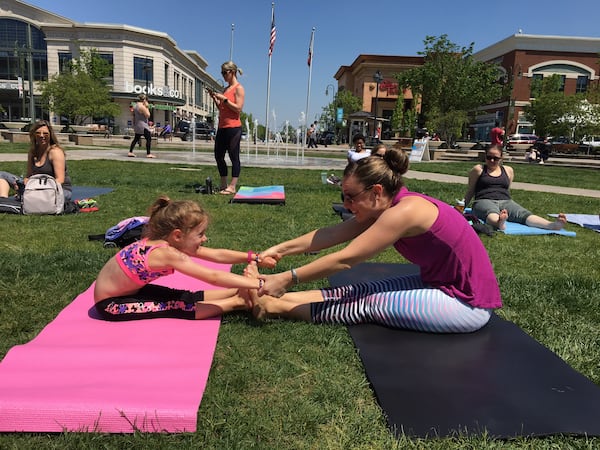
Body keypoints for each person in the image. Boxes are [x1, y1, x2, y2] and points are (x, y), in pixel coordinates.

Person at [252, 149, 502, 333]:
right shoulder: (385, 207)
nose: (346, 204)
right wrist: (278, 250)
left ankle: (271, 306)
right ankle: (267, 297)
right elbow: (331, 234)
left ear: (376, 192)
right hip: (438, 283)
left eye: (351, 197)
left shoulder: (404, 212)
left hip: (468, 303)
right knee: (360, 290)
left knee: (368, 303)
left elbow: (346, 258)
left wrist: (286, 278)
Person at [94, 196, 275, 321]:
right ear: (178, 235)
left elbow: (216, 254)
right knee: (174, 305)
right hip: (111, 305)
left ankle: (236, 292)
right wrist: (259, 284)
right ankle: (239, 302)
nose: (204, 239)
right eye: (200, 234)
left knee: (179, 295)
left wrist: (255, 257)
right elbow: (213, 276)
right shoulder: (167, 254)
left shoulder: (166, 242)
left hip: (130, 292)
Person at [464, 144, 567, 231]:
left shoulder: (508, 170)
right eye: (488, 157)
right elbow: (471, 191)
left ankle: (552, 225)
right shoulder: (479, 170)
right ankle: (499, 222)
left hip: (505, 201)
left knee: (523, 214)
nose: (491, 160)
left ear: (501, 158)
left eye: (495, 158)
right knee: (490, 212)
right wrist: (461, 207)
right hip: (483, 200)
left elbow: (507, 189)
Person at [208, 61, 245, 195]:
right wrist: (215, 99)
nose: (223, 75)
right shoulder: (225, 89)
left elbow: (238, 109)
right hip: (222, 127)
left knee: (234, 156)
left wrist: (224, 100)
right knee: (218, 155)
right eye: (222, 73)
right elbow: (222, 109)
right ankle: (223, 184)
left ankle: (232, 186)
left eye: (225, 72)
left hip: (233, 128)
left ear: (232, 72)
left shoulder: (239, 88)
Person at [26, 120, 72, 201]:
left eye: (45, 133)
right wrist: (25, 184)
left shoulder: (55, 152)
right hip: (36, 187)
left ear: (50, 135)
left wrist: (39, 189)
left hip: (59, 190)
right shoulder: (32, 153)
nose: (41, 136)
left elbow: (60, 180)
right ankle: (3, 200)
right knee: (3, 175)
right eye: (38, 133)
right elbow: (28, 176)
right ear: (34, 135)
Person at [128, 94, 155, 158]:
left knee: (136, 138)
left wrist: (134, 124)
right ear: (144, 100)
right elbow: (148, 115)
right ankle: (148, 154)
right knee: (148, 138)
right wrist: (147, 107)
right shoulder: (142, 107)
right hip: (143, 125)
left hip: (137, 125)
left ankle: (130, 152)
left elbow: (133, 115)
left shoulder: (135, 106)